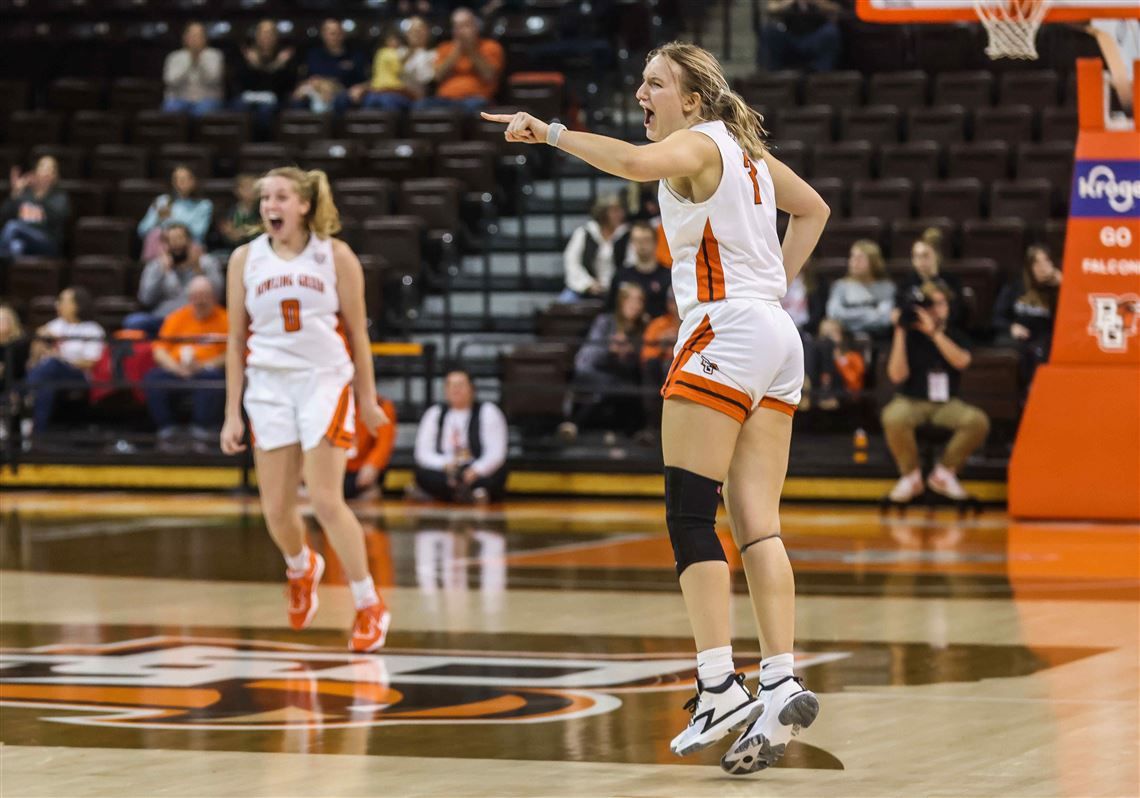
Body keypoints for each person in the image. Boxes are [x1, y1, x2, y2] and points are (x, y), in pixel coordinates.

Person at [483, 40, 830, 775]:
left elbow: (635, 167)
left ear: (693, 99)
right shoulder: (746, 151)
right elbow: (815, 210)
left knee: (689, 513)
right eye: (641, 81)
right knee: (758, 527)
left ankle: (716, 683)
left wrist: (547, 131)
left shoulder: (697, 143)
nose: (642, 93)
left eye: (656, 83)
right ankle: (778, 677)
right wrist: (769, 288)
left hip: (725, 330)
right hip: (774, 335)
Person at [219, 167, 391, 652]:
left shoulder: (334, 255)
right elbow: (234, 341)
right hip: (268, 384)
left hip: (323, 382)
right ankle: (301, 566)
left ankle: (368, 603)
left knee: (324, 498)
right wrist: (232, 412)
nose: (269, 204)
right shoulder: (243, 259)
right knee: (275, 508)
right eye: (265, 197)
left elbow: (358, 334)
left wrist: (367, 397)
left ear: (303, 205)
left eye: (280, 196)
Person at [881, 279, 989, 503]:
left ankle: (944, 473)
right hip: (910, 400)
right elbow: (896, 376)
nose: (937, 310)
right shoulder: (909, 334)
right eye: (932, 304)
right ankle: (911, 476)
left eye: (942, 304)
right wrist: (900, 331)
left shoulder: (955, 333)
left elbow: (962, 361)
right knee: (893, 416)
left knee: (977, 421)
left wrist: (935, 334)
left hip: (946, 403)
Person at [143, 275, 228, 452]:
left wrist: (204, 365)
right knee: (153, 378)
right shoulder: (176, 317)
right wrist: (176, 368)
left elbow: (232, 353)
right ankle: (167, 430)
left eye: (204, 295)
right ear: (189, 298)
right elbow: (159, 350)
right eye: (196, 296)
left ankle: (202, 431)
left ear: (214, 297)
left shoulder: (225, 319)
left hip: (207, 370)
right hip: (177, 370)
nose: (200, 300)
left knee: (213, 380)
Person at [560, 282, 648, 440]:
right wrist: (609, 350)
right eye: (631, 300)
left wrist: (631, 354)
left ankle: (574, 424)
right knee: (616, 386)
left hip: (625, 378)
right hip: (595, 373)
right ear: (621, 302)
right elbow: (584, 359)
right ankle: (634, 432)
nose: (635, 305)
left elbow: (644, 361)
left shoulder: (643, 328)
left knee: (621, 387)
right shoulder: (605, 322)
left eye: (639, 300)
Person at [412, 368, 509, 504]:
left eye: (460, 385)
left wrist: (476, 470)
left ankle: (459, 492)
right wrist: (445, 465)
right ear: (445, 390)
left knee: (498, 473)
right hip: (446, 469)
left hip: (474, 467)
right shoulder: (435, 413)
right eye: (451, 385)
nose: (455, 389)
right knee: (423, 474)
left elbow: (496, 453)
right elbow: (422, 453)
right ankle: (467, 493)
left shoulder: (488, 411)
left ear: (472, 389)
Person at [24, 287, 105, 436]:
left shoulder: (92, 329)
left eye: (62, 301)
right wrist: (38, 342)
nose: (57, 304)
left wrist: (61, 357)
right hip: (48, 376)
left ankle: (23, 393)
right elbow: (34, 359)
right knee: (45, 386)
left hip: (77, 376)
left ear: (77, 305)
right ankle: (38, 435)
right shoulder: (56, 324)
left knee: (52, 365)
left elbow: (91, 362)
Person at [127, 223, 224, 337]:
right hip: (163, 319)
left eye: (180, 238)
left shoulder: (206, 262)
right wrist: (161, 273)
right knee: (134, 322)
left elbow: (218, 296)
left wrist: (198, 269)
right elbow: (145, 299)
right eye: (171, 240)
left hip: (198, 318)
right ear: (165, 245)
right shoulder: (156, 266)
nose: (176, 244)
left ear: (190, 241)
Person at [992, 245, 1060, 392]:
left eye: (1046, 261)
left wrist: (1063, 286)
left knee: (1040, 350)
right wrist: (1011, 327)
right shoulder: (1014, 286)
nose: (1043, 267)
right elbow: (997, 317)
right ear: (1029, 267)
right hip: (1018, 337)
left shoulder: (1056, 289)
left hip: (1044, 338)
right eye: (1037, 263)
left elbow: (1067, 319)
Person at [416, 7, 504, 112]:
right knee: (420, 106)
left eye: (465, 26)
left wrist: (471, 51)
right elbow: (438, 77)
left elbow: (489, 75)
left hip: (475, 99)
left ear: (475, 27)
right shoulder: (444, 47)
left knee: (473, 107)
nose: (460, 31)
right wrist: (456, 53)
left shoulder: (491, 46)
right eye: (456, 26)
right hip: (445, 99)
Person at [233, 19, 297, 138]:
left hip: (276, 99)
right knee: (239, 106)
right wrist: (251, 66)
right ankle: (240, 147)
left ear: (276, 37)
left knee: (265, 110)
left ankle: (263, 145)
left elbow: (286, 87)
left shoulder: (283, 56)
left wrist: (277, 65)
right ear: (256, 36)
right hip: (249, 97)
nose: (266, 37)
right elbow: (240, 84)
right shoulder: (247, 55)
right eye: (262, 33)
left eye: (270, 33)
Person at [560, 194, 630, 303]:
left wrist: (615, 284)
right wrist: (588, 284)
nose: (620, 214)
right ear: (603, 213)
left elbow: (630, 263)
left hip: (617, 288)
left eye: (621, 210)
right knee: (565, 301)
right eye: (615, 211)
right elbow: (571, 261)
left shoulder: (626, 234)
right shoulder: (585, 233)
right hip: (586, 286)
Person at [291, 19, 370, 114]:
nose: (335, 37)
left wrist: (361, 88)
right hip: (316, 91)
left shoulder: (355, 55)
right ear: (323, 34)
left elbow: (368, 81)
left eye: (338, 33)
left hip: (345, 93)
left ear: (343, 34)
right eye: (331, 33)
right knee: (298, 99)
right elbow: (308, 78)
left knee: (342, 99)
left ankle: (337, 128)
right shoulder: (314, 55)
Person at [137, 164, 214, 262]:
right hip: (161, 251)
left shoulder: (203, 205)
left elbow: (198, 233)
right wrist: (158, 219)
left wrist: (169, 222)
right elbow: (142, 230)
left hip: (189, 250)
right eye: (177, 179)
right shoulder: (162, 201)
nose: (180, 182)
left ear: (194, 181)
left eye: (185, 178)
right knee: (154, 235)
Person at [1, 156, 69, 258]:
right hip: (24, 239)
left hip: (47, 241)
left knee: (13, 227)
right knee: (16, 247)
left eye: (50, 169)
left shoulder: (59, 197)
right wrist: (15, 193)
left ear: (55, 176)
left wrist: (40, 198)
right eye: (43, 167)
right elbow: (4, 216)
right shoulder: (25, 194)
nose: (46, 172)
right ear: (35, 172)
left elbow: (58, 217)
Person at [825, 239, 895, 336]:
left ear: (873, 262)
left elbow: (885, 318)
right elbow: (834, 313)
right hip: (846, 336)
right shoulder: (841, 286)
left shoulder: (886, 287)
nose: (854, 262)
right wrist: (870, 313)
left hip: (878, 336)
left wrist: (849, 318)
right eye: (852, 257)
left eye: (860, 258)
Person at [607, 220, 673, 318]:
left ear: (655, 241)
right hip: (629, 329)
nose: (642, 245)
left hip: (659, 328)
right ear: (632, 243)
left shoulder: (668, 276)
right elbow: (610, 308)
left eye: (646, 240)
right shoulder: (621, 276)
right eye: (637, 240)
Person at [640, 287, 681, 436]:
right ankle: (652, 426)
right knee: (655, 366)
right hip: (660, 371)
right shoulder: (658, 325)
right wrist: (662, 346)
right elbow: (646, 355)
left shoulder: (696, 323)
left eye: (677, 301)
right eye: (672, 301)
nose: (675, 306)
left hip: (686, 370)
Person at [757, 0, 842, 72]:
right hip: (789, 33)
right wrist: (790, 2)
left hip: (817, 34)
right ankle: (774, 77)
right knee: (769, 31)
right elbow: (771, 8)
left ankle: (819, 75)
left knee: (830, 32)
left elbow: (836, 8)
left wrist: (815, 2)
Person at [899, 228, 963, 323]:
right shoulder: (906, 283)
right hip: (916, 330)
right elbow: (901, 314)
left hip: (945, 330)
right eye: (916, 256)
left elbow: (956, 313)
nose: (920, 260)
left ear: (936, 255)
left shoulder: (951, 281)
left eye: (925, 255)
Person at [802, 317, 865, 413]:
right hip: (817, 395)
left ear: (841, 335)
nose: (829, 338)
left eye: (833, 333)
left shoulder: (853, 356)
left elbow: (854, 383)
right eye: (825, 334)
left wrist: (839, 360)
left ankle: (825, 395)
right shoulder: (816, 357)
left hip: (845, 396)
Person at [162, 21, 225, 116]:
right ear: (185, 38)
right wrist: (190, 61)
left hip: (207, 99)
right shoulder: (174, 56)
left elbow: (213, 80)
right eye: (192, 36)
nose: (195, 39)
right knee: (170, 109)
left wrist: (199, 60)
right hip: (179, 99)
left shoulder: (214, 55)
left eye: (199, 36)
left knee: (202, 111)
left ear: (205, 38)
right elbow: (171, 81)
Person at [345, 396, 397, 499]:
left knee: (370, 492)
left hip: (360, 472)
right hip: (335, 470)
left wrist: (373, 464)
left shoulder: (381, 405)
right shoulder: (331, 403)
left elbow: (384, 443)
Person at [213, 173, 260, 252]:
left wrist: (243, 233)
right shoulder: (229, 212)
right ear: (237, 190)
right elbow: (228, 235)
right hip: (233, 251)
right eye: (246, 187)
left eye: (253, 186)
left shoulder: (262, 211)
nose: (251, 190)